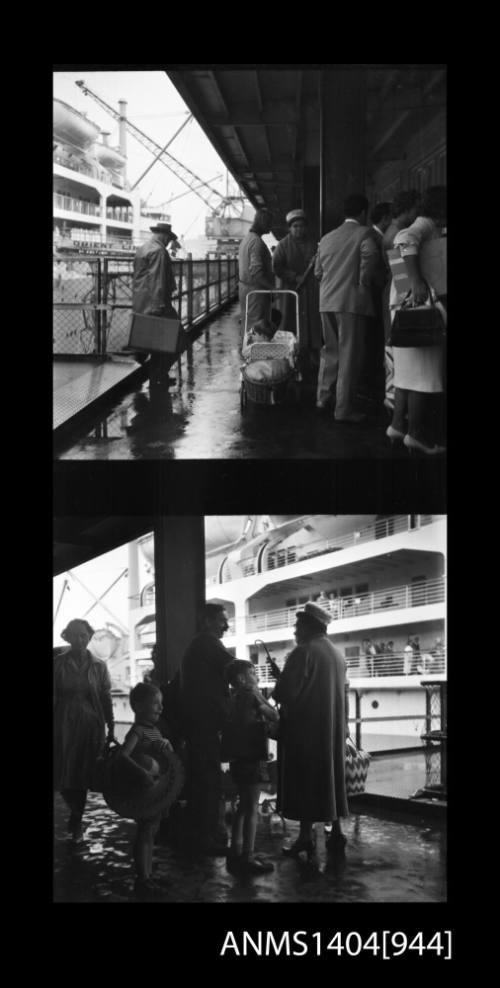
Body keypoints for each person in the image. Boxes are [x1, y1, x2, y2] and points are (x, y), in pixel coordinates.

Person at [273, 602, 349, 859]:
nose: (295, 630)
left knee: (306, 782)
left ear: (308, 626)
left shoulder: (302, 652)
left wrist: (279, 681)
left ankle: (305, 837)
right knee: (331, 779)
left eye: (297, 625)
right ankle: (336, 832)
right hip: (333, 730)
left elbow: (286, 694)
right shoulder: (337, 655)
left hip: (306, 731)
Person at [388, 186, 447, 454]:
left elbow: (397, 255)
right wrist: (417, 281)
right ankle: (417, 435)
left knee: (406, 376)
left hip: (405, 309)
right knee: (423, 377)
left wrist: (408, 285)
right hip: (420, 310)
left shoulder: (423, 226)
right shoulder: (423, 225)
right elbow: (404, 239)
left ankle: (398, 426)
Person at [314, 193, 378, 421]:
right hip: (351, 302)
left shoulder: (327, 238)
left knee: (330, 350)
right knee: (350, 355)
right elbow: (370, 256)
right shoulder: (364, 233)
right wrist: (362, 283)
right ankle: (343, 409)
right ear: (363, 213)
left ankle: (323, 397)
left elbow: (318, 272)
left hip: (326, 301)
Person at [178, 603, 234, 855]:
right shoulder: (208, 643)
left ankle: (203, 834)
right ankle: (208, 838)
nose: (226, 625)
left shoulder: (198, 644)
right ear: (208, 621)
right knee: (209, 780)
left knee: (202, 777)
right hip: (205, 723)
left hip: (197, 722)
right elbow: (234, 669)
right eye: (222, 620)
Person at [54, 619, 115, 841]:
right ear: (67, 637)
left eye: (83, 635)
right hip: (63, 723)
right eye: (74, 635)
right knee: (62, 771)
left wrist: (111, 724)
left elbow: (105, 696)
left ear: (89, 637)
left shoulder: (99, 666)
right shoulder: (57, 664)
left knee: (82, 771)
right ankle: (75, 811)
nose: (79, 640)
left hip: (90, 724)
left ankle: (77, 818)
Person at [116, 682, 175, 898]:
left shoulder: (155, 731)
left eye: (161, 704)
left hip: (156, 792)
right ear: (139, 707)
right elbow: (123, 755)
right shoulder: (138, 731)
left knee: (151, 832)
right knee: (145, 833)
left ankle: (148, 875)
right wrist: (142, 772)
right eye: (155, 704)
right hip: (144, 792)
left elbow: (169, 758)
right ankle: (143, 878)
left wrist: (166, 744)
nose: (160, 708)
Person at [225, 660, 279, 874]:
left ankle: (235, 849)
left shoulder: (233, 697)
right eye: (253, 672)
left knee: (241, 807)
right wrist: (267, 698)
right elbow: (273, 715)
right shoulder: (251, 693)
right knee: (252, 809)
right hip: (252, 757)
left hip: (236, 759)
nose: (256, 676)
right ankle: (248, 856)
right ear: (242, 679)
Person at [382, 191, 421, 416]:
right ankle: (393, 399)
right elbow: (401, 276)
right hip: (397, 294)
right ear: (408, 209)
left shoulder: (392, 231)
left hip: (392, 291)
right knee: (395, 350)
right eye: (416, 209)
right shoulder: (398, 234)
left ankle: (393, 397)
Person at [272, 209, 322, 384]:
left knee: (313, 326)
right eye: (295, 226)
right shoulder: (283, 245)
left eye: (301, 226)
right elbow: (276, 266)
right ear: (290, 228)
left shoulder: (314, 244)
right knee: (290, 324)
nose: (299, 229)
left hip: (311, 292)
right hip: (292, 293)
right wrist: (293, 276)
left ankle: (313, 361)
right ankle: (289, 362)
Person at [132, 221, 181, 387]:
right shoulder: (159, 251)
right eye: (168, 238)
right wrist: (160, 306)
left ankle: (146, 358)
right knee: (178, 340)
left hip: (141, 305)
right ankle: (158, 376)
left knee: (157, 343)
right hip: (157, 305)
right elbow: (157, 280)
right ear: (164, 235)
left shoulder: (143, 248)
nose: (169, 242)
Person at [360, 202, 392, 407]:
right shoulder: (378, 238)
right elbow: (372, 274)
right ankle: (373, 386)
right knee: (374, 342)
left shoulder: (376, 236)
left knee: (373, 342)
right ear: (386, 218)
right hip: (375, 298)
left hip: (375, 298)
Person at [238, 208, 274, 345]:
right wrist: (272, 288)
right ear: (264, 222)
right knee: (257, 327)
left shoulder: (247, 240)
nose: (271, 227)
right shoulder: (256, 243)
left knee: (248, 323)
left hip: (246, 290)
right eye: (270, 223)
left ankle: (248, 356)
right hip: (256, 293)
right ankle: (255, 361)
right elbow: (257, 273)